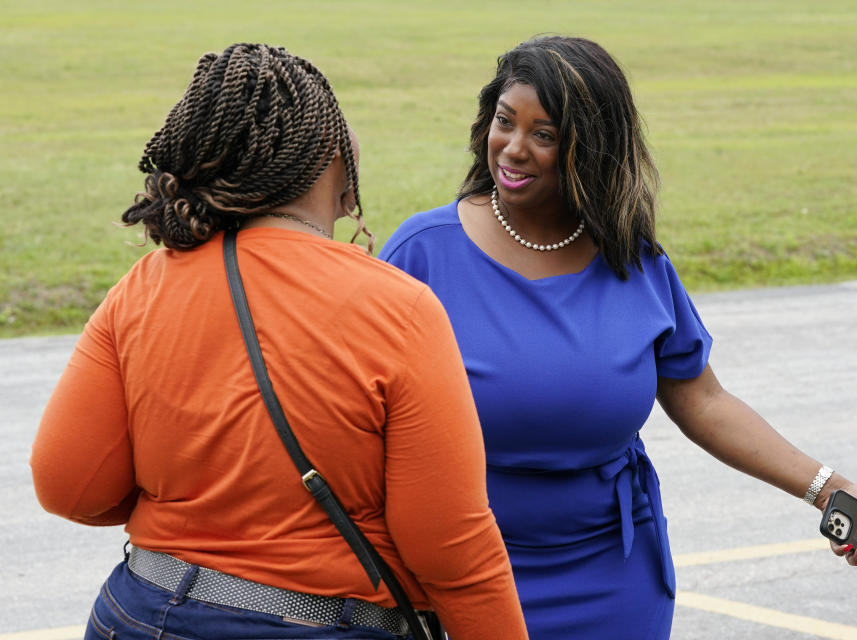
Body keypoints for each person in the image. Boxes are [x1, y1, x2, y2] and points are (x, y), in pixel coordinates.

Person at [379, 35, 857, 639]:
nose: (513, 148)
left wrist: (830, 490)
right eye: (505, 122)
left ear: (590, 147)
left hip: (613, 573)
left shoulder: (633, 262)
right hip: (462, 576)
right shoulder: (422, 253)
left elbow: (705, 401)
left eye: (544, 134)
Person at [31, 43, 527, 640]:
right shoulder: (400, 307)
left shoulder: (143, 285)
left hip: (142, 610)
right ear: (331, 156)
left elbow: (69, 486)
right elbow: (451, 548)